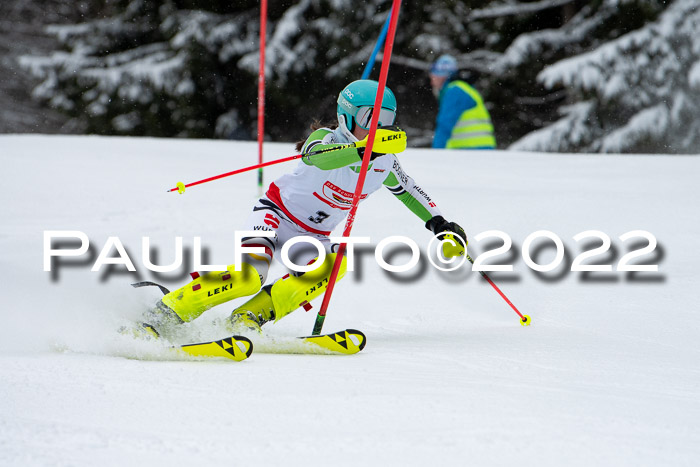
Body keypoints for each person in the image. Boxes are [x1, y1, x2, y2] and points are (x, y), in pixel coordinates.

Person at [145, 79, 467, 336]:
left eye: (387, 120)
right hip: (275, 215)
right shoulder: (326, 139)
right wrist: (360, 153)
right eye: (370, 118)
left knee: (337, 263)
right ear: (347, 116)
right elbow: (318, 157)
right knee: (248, 278)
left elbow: (409, 190)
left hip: (312, 235)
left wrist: (440, 223)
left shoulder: (384, 163)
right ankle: (169, 310)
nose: (377, 128)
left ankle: (248, 317)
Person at [430, 54, 496, 150]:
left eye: (433, 77)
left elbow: (445, 125)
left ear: (441, 75)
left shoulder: (455, 91)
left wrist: (436, 152)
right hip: (477, 149)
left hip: (472, 150)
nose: (432, 82)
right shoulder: (463, 88)